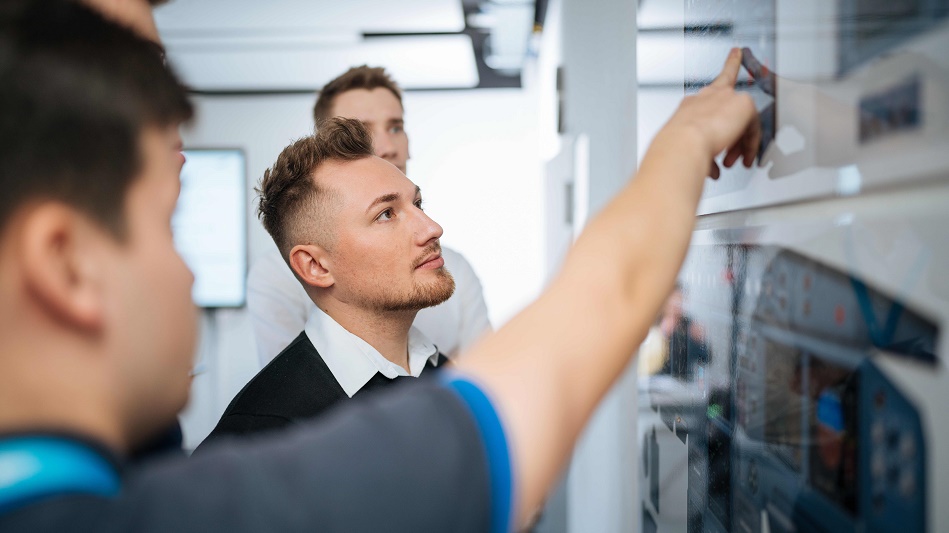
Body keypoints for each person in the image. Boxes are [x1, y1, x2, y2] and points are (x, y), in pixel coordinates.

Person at [0, 1, 760, 530]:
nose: (192, 280)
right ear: (64, 265)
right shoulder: (227, 481)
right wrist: (688, 138)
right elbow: (593, 314)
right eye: (167, 225)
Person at [197, 119, 458, 448]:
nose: (432, 228)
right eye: (386, 214)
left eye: (417, 204)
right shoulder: (260, 439)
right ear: (316, 266)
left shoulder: (448, 380)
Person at [247, 66, 491, 367]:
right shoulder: (277, 276)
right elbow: (290, 387)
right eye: (362, 129)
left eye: (395, 127)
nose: (387, 148)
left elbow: (488, 381)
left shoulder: (453, 268)